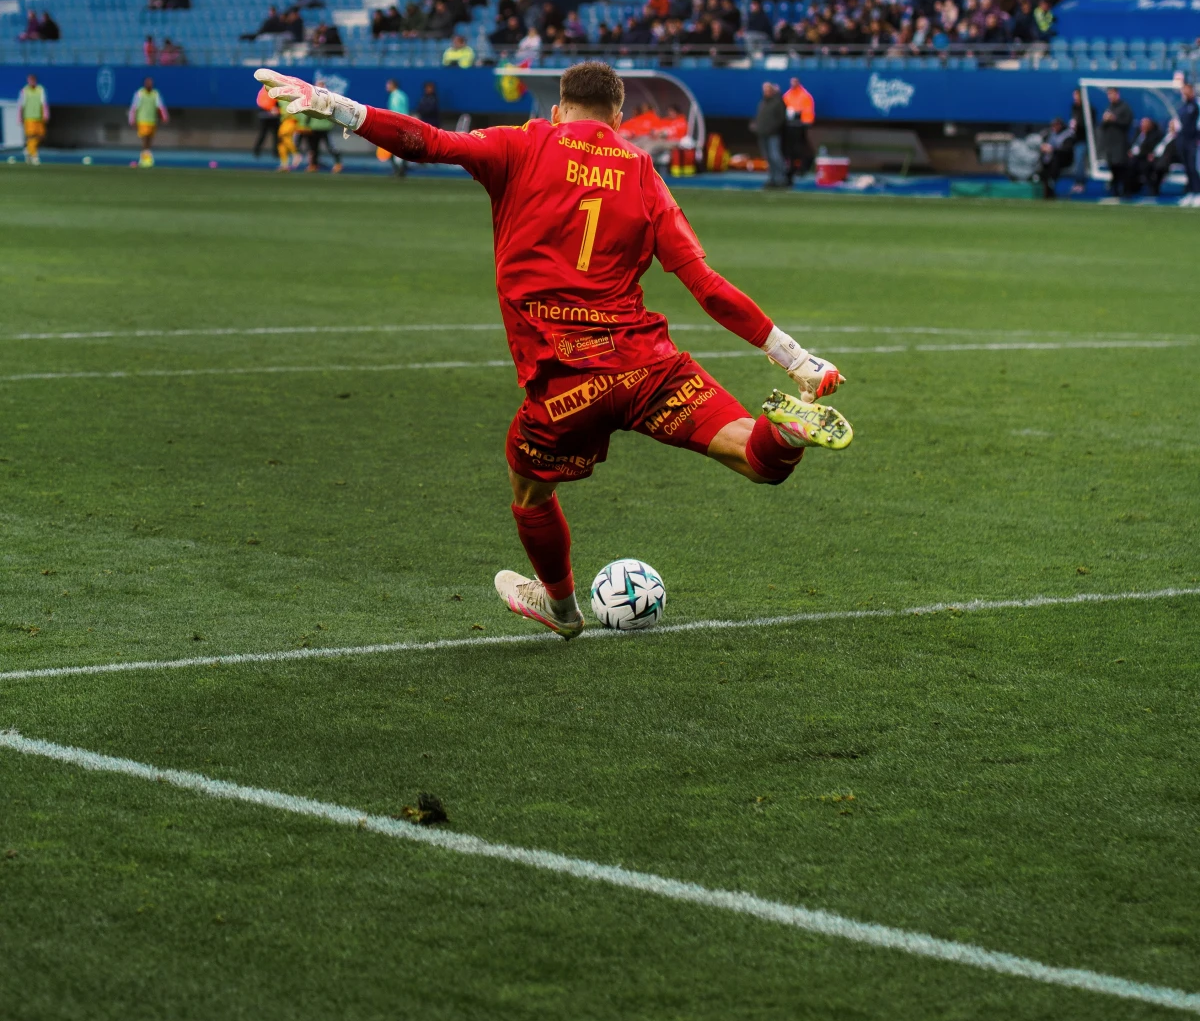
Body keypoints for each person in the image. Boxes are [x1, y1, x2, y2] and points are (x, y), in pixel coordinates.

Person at [255, 59, 851, 638]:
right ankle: (789, 431)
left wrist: (336, 106)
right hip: (647, 363)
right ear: (618, 117)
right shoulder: (643, 172)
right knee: (754, 456)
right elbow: (706, 285)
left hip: (568, 381)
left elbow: (429, 143)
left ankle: (562, 609)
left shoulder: (524, 144)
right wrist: (796, 357)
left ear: (559, 108)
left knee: (528, 486)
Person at [752, 80, 788, 189]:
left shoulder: (777, 102)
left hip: (773, 134)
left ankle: (781, 179)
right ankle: (772, 178)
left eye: (767, 90)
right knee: (768, 158)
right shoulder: (763, 103)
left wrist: (773, 128)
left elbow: (781, 118)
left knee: (775, 156)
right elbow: (760, 117)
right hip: (762, 133)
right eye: (764, 90)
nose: (765, 92)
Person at [1099, 85, 1133, 199]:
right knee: (1113, 167)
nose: (1110, 96)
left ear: (1117, 94)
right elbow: (1102, 126)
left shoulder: (1124, 107)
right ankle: (1115, 190)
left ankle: (1126, 191)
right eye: (1109, 94)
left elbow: (1127, 122)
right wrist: (1105, 120)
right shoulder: (1109, 108)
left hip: (1120, 143)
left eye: (1112, 94)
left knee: (1121, 167)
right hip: (1110, 143)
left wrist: (1114, 119)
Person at [129, 77, 169, 167]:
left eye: (150, 83)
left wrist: (164, 117)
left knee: (149, 141)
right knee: (145, 139)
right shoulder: (140, 93)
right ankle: (144, 159)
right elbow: (134, 107)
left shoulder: (155, 94)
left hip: (152, 120)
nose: (149, 84)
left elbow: (160, 107)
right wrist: (132, 119)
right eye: (148, 83)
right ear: (144, 84)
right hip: (142, 120)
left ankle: (146, 158)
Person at [782, 77, 816, 185]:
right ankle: (792, 168)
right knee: (790, 149)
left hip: (801, 126)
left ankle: (803, 168)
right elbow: (784, 109)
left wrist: (804, 122)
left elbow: (808, 111)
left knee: (801, 147)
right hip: (790, 126)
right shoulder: (788, 95)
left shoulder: (804, 95)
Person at [379, 78, 410, 176]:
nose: (386, 86)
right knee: (401, 148)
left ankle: (399, 169)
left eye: (388, 84)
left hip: (398, 126)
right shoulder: (402, 95)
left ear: (393, 85)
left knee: (394, 148)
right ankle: (401, 169)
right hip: (405, 124)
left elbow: (395, 113)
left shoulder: (395, 96)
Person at [1179, 77, 1200, 207]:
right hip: (1184, 140)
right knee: (1187, 167)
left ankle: (1198, 192)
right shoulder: (1183, 107)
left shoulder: (1196, 105)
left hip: (1194, 140)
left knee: (1194, 167)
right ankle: (1191, 192)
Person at [19, 72, 48, 164]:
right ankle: (34, 156)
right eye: (29, 80)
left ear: (35, 81)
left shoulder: (40, 90)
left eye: (32, 80)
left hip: (38, 117)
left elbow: (43, 103)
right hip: (29, 117)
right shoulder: (25, 90)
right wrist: (20, 116)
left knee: (41, 135)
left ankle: (28, 149)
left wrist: (45, 114)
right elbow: (21, 105)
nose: (31, 82)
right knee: (31, 135)